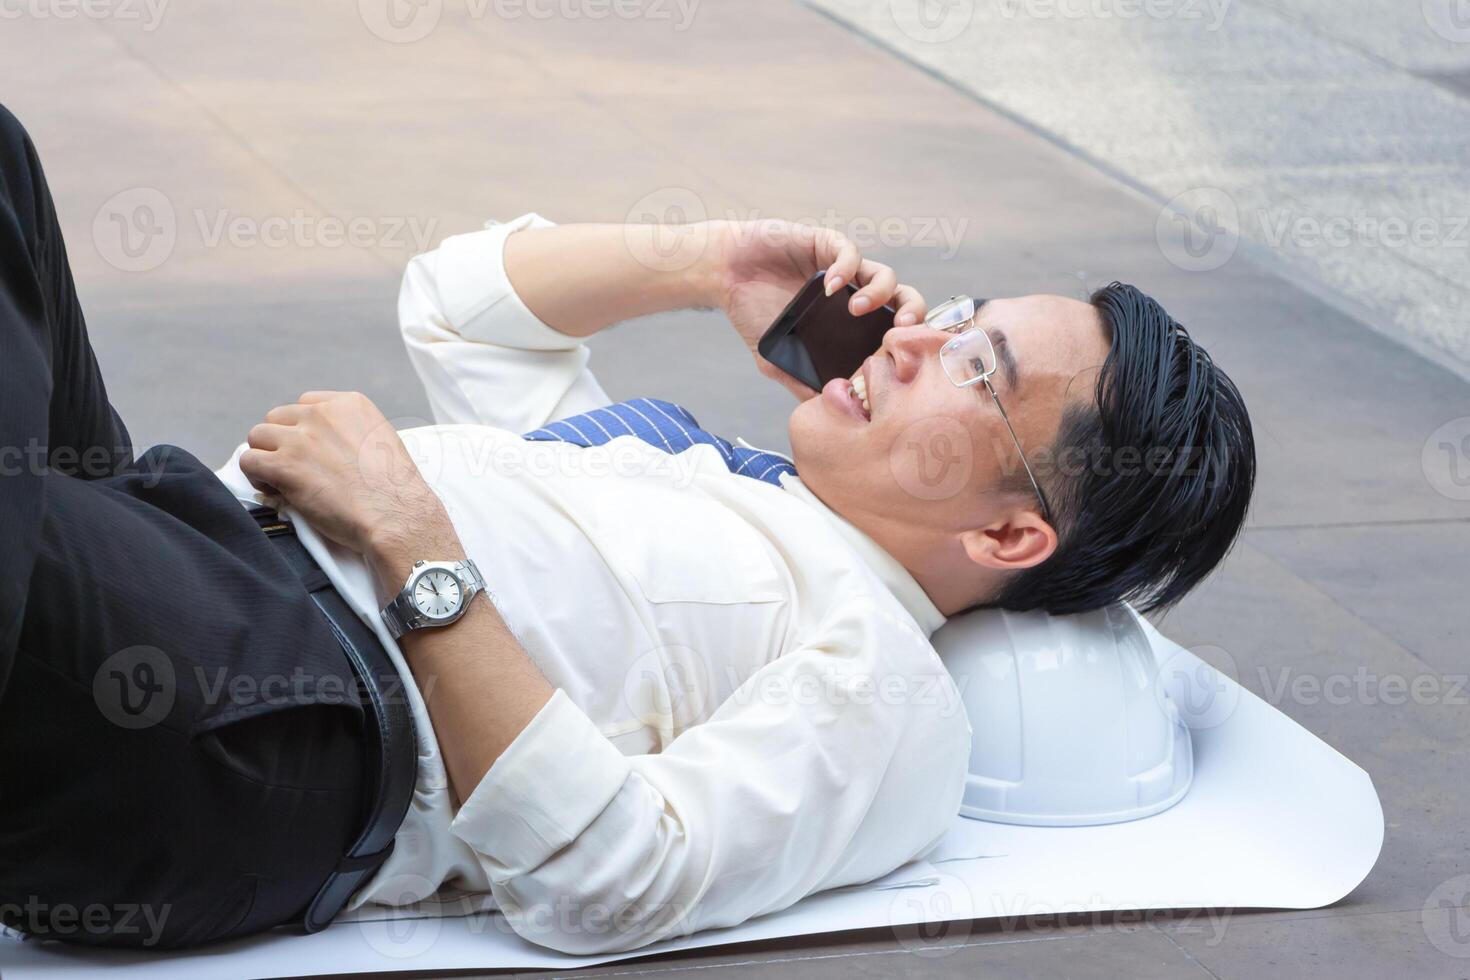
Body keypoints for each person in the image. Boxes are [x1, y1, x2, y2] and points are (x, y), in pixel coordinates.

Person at [0, 103, 1255, 954]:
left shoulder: (887, 692)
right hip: (179, 536)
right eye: (961, 310)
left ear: (1012, 538)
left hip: (261, 711)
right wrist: (707, 264)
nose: (913, 332)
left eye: (973, 366)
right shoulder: (696, 466)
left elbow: (613, 876)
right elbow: (456, 306)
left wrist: (409, 538)